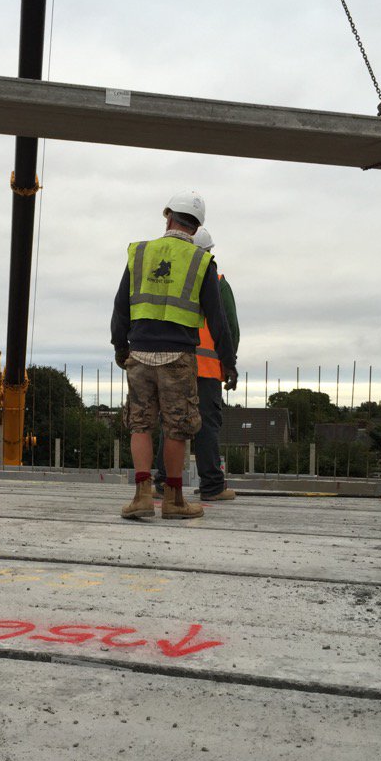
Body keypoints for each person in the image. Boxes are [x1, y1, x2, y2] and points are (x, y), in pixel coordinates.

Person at [111, 189, 238, 520]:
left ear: (167, 217)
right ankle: (173, 500)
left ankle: (141, 496)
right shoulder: (201, 261)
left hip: (139, 353)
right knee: (177, 427)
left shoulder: (140, 253)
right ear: (195, 229)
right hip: (177, 358)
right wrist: (229, 362)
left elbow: (120, 305)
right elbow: (218, 319)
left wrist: (119, 346)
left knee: (140, 424)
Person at [154, 226, 240, 500]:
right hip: (206, 368)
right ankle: (212, 485)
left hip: (173, 363)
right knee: (205, 425)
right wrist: (229, 362)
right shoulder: (216, 280)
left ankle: (162, 483)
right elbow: (228, 328)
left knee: (172, 422)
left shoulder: (174, 280)